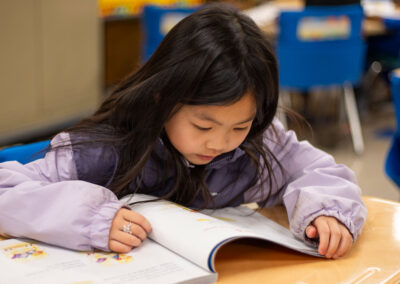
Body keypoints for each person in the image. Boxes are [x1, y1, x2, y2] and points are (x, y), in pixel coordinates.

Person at [0, 3, 367, 259]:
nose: (221, 143)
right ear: (163, 96)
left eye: (240, 125)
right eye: (203, 125)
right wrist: (90, 218)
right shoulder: (105, 150)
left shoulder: (256, 146)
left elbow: (316, 170)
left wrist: (327, 211)